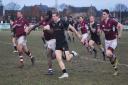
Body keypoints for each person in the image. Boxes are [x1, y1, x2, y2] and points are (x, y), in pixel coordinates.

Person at [49, 12, 81, 79]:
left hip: (64, 43)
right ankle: (65, 73)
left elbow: (72, 27)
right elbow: (48, 27)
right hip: (57, 44)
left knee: (68, 59)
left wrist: (77, 34)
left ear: (58, 16)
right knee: (58, 59)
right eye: (52, 16)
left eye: (54, 16)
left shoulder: (63, 21)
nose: (53, 17)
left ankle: (73, 53)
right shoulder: (52, 23)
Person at [100, 9, 123, 75]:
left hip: (113, 40)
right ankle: (116, 70)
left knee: (108, 53)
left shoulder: (112, 21)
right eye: (102, 14)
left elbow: (121, 26)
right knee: (109, 57)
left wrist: (120, 34)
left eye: (104, 14)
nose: (103, 15)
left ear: (108, 14)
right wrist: (99, 32)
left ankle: (114, 58)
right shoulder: (102, 23)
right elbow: (101, 31)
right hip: (106, 41)